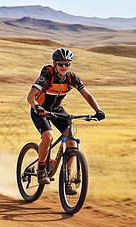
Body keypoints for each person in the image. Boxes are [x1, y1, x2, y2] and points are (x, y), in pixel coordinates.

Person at [27, 48, 105, 194]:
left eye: (67, 64)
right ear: (54, 64)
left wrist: (98, 111)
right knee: (48, 136)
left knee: (71, 140)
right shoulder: (46, 76)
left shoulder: (72, 78)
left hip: (57, 110)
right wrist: (37, 107)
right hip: (40, 110)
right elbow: (30, 97)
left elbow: (87, 95)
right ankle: (41, 169)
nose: (64, 67)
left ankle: (67, 179)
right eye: (61, 64)